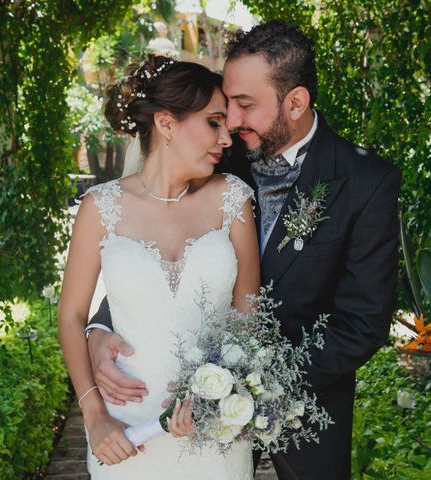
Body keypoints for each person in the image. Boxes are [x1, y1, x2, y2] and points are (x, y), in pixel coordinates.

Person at [86, 20, 402, 479]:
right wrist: (98, 330)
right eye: (226, 104)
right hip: (180, 416)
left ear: (295, 102)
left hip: (304, 414)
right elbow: (155, 251)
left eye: (244, 105)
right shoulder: (214, 153)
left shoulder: (366, 182)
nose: (229, 122)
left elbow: (362, 324)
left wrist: (244, 387)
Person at [58, 54, 260, 479]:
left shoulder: (233, 199)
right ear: (166, 124)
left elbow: (248, 318)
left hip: (213, 434)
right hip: (126, 434)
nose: (227, 138)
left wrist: (213, 399)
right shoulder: (101, 207)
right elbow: (72, 315)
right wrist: (94, 415)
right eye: (213, 122)